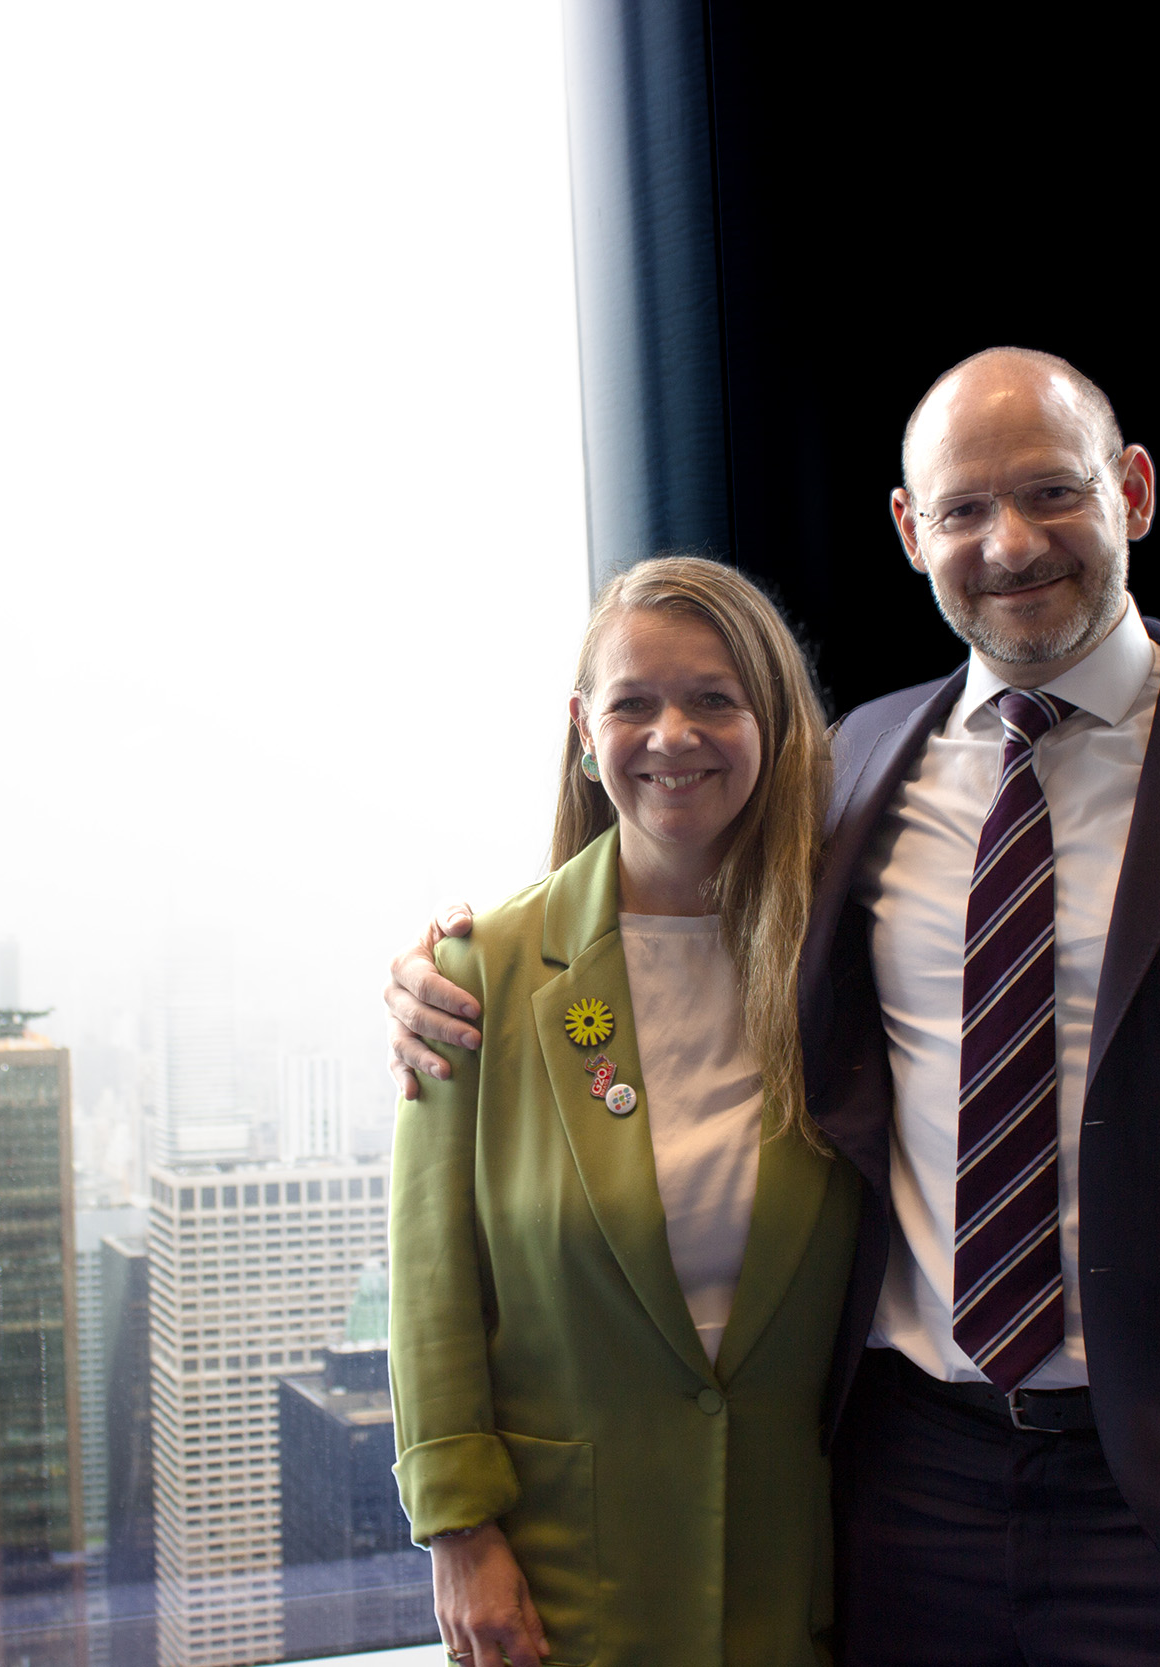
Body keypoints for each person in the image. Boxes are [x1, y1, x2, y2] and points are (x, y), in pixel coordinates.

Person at [387, 349, 1160, 1666]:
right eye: (964, 509)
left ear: (1134, 491)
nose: (1011, 542)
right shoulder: (858, 765)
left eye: (1051, 491)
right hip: (899, 1486)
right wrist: (454, 970)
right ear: (912, 533)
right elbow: (662, 901)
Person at [389, 555, 860, 1667]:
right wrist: (458, 1532)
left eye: (712, 698)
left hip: (796, 1574)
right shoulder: (483, 968)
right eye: (633, 702)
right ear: (582, 729)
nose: (672, 734)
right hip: (559, 1584)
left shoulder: (846, 956)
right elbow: (431, 1281)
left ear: (772, 721)